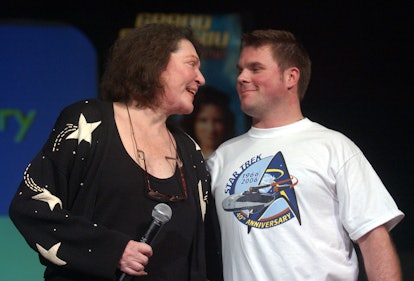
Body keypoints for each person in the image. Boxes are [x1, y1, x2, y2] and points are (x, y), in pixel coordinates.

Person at [9, 23, 211, 281]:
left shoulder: (190, 149)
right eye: (191, 64)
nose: (201, 78)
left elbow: (203, 250)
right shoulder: (89, 123)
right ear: (154, 61)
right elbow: (30, 205)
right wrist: (111, 251)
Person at [206, 29, 405, 281]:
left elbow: (374, 240)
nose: (242, 77)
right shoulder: (222, 157)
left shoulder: (333, 147)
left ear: (290, 77)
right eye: (240, 70)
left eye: (255, 68)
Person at [179, 85, 236, 158]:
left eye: (217, 121)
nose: (211, 128)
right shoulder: (182, 158)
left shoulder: (236, 157)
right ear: (192, 123)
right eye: (203, 120)